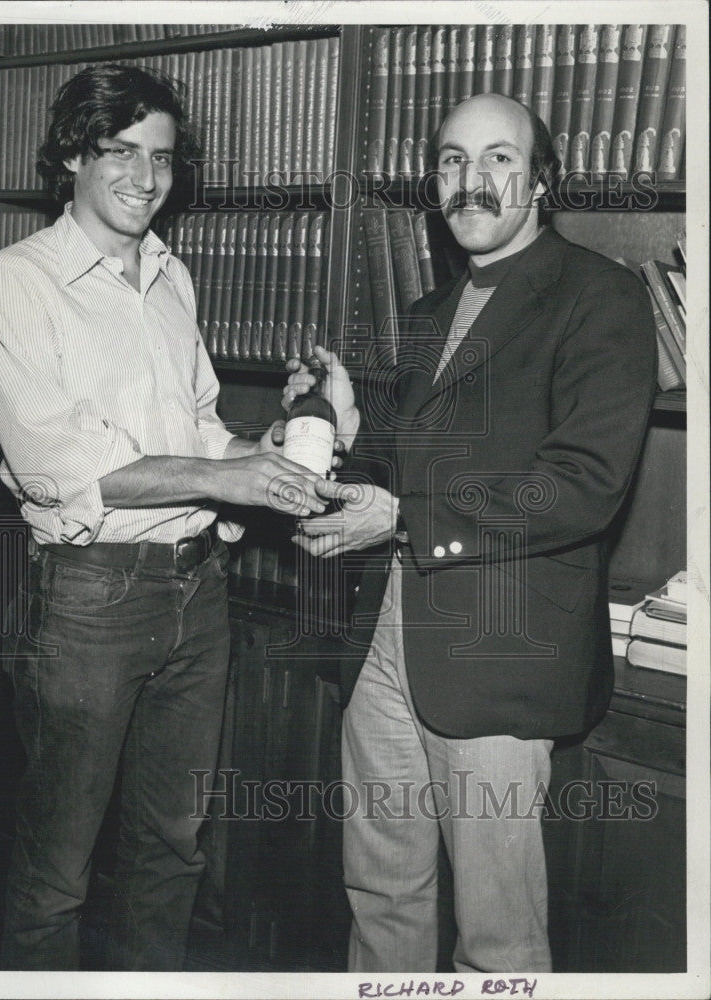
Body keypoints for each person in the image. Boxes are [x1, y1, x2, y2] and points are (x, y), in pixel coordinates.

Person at [0, 63, 341, 971]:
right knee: (58, 871)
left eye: (163, 159)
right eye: (120, 152)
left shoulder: (174, 280)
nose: (145, 178)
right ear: (70, 156)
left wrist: (278, 443)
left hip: (197, 596)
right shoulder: (14, 283)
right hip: (91, 601)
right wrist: (229, 481)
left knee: (170, 853)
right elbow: (65, 469)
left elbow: (200, 432)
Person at [286, 92, 657, 972]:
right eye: (453, 160)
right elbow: (391, 472)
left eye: (498, 158)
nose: (472, 180)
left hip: (501, 661)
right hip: (386, 643)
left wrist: (406, 517)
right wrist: (343, 432)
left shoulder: (601, 298)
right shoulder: (425, 314)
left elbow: (582, 486)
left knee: (498, 939)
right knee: (381, 896)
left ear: (544, 179)